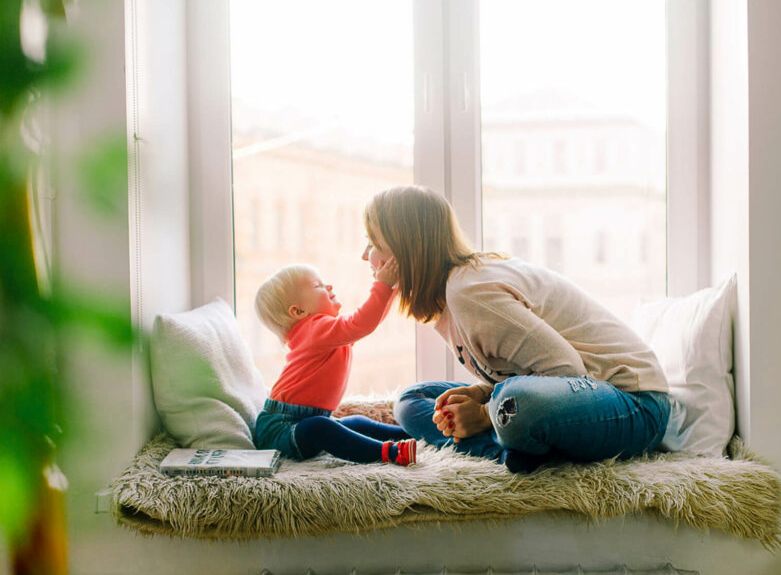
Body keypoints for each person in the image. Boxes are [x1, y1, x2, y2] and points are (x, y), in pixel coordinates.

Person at [361, 185, 670, 473]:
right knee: (412, 400)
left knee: (514, 403)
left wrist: (483, 414)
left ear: (407, 250)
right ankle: (508, 452)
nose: (366, 256)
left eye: (374, 244)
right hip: (570, 396)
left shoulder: (469, 292)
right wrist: (483, 395)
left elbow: (567, 371)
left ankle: (507, 442)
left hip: (634, 404)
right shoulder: (449, 298)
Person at [253, 261, 417, 466]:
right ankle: (389, 453)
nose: (328, 286)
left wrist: (391, 290)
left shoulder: (323, 332)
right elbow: (362, 323)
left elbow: (367, 324)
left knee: (355, 423)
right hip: (281, 429)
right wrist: (383, 285)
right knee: (320, 428)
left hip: (304, 420)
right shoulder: (314, 330)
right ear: (298, 311)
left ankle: (411, 435)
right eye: (318, 286)